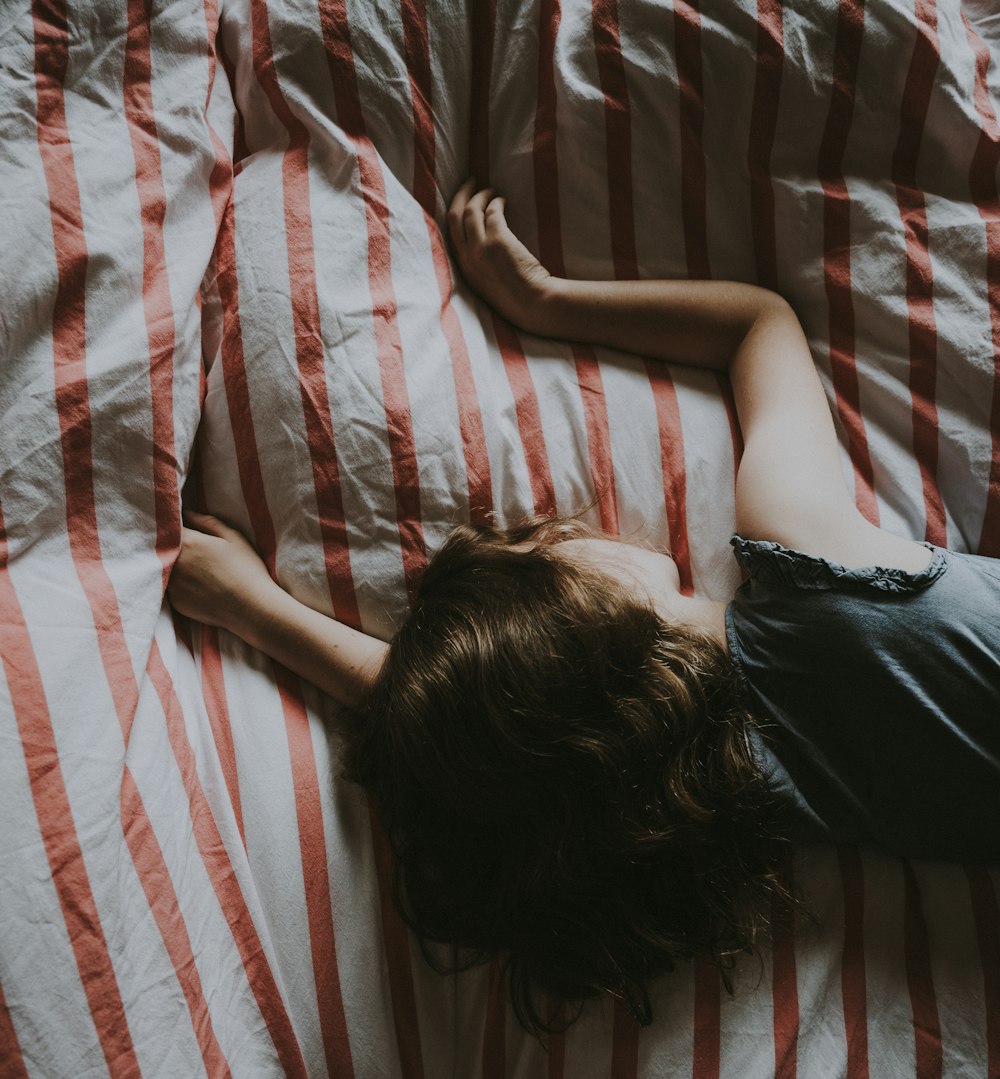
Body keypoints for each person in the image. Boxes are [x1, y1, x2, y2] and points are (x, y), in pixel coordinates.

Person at [168, 180, 1000, 1030]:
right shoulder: (810, 561)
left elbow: (482, 723)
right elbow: (758, 322)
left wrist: (255, 608)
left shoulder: (748, 786)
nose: (568, 528)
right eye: (544, 546)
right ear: (588, 608)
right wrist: (544, 302)